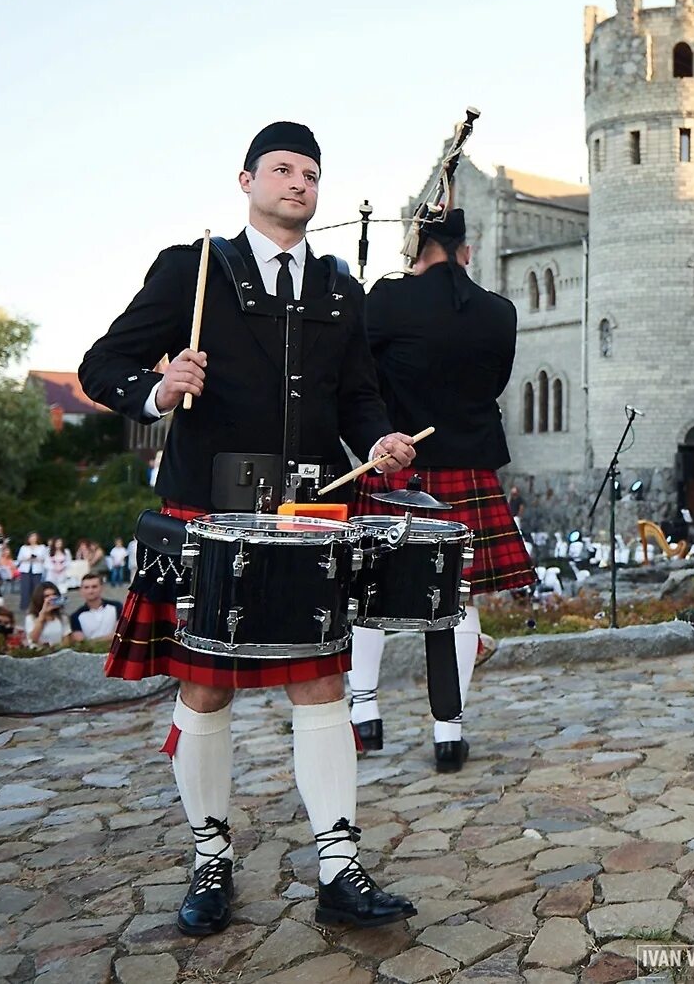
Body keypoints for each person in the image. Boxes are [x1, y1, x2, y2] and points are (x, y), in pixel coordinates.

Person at [79, 121, 420, 937]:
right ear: (247, 180)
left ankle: (338, 868)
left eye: (311, 172)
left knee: (323, 685)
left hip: (306, 517)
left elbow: (358, 398)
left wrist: (377, 441)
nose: (299, 183)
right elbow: (100, 365)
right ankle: (210, 856)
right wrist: (159, 391)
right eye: (282, 169)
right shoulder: (194, 269)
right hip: (208, 513)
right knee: (203, 688)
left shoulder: (341, 288)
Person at [345, 207, 527, 771]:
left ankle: (364, 715)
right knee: (459, 595)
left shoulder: (388, 299)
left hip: (396, 460)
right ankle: (449, 731)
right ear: (466, 251)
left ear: (415, 250)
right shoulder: (500, 312)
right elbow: (495, 382)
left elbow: (359, 377)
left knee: (366, 590)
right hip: (468, 468)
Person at [70, 572, 122, 642]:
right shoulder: (75, 616)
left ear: (101, 587)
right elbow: (81, 642)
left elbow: (120, 633)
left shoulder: (116, 607)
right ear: (81, 590)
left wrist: (93, 641)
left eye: (94, 587)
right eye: (86, 587)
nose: (90, 591)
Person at [25, 582, 71, 647]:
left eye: (54, 594)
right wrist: (42, 616)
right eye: (47, 596)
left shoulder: (62, 617)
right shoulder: (31, 617)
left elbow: (66, 641)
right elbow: (33, 639)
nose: (51, 598)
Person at [15, 532, 47, 609]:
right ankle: (25, 606)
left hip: (37, 569)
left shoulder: (42, 547)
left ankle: (37, 606)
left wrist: (37, 557)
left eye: (34, 537)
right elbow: (19, 559)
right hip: (25, 569)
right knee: (25, 588)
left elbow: (45, 558)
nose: (33, 539)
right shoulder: (24, 547)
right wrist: (27, 558)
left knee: (36, 588)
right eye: (31, 537)